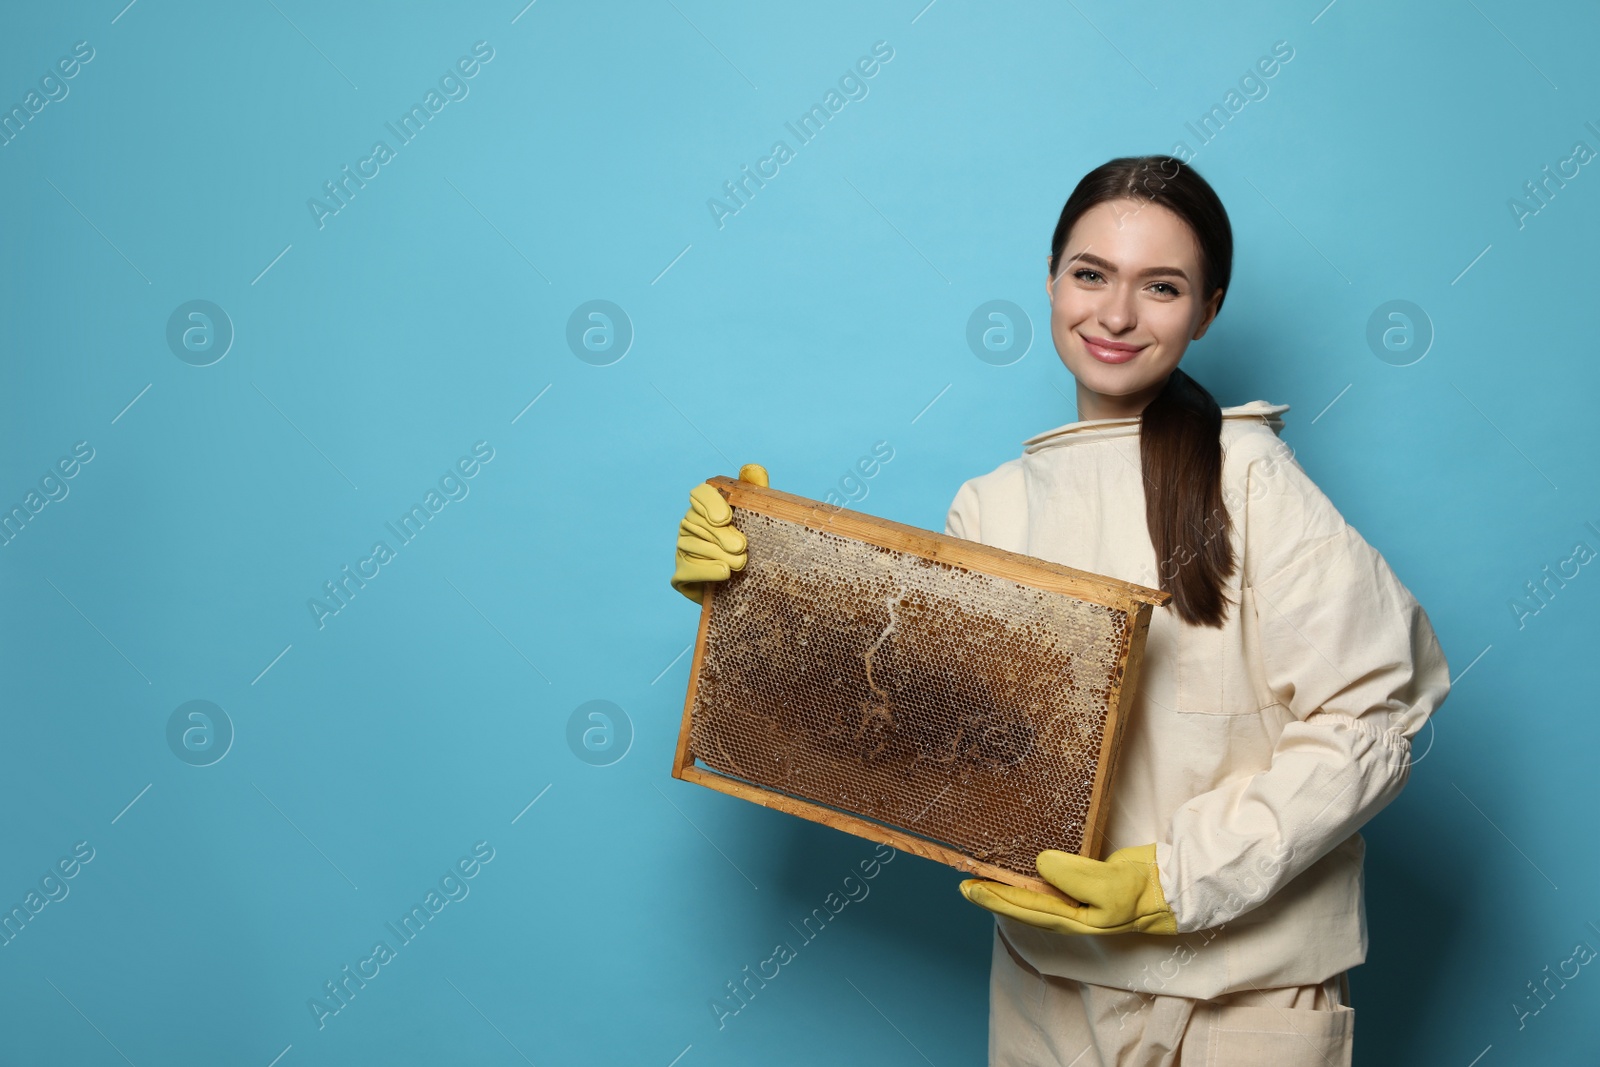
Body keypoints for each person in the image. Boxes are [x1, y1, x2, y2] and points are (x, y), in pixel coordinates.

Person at [669, 154, 1450, 1066]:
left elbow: (1372, 721)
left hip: (1242, 1003)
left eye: (1161, 287)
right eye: (1091, 275)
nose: (1116, 315)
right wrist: (754, 599)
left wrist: (1171, 881)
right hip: (1045, 996)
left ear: (1208, 309)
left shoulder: (1255, 480)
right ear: (1050, 283)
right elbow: (930, 741)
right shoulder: (989, 507)